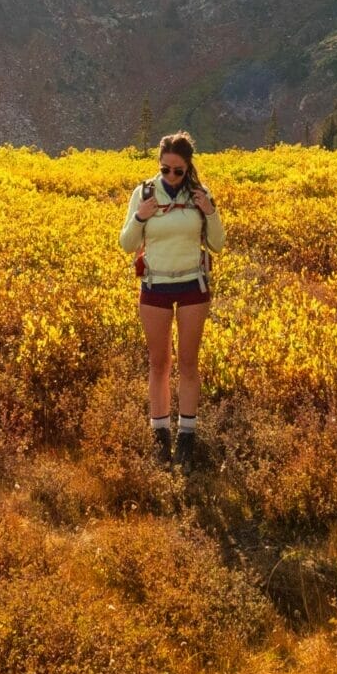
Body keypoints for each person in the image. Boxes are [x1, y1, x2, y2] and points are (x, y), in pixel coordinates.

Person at [119, 130, 225, 470]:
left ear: (188, 167)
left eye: (178, 171)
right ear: (160, 166)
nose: (171, 176)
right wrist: (141, 217)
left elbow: (218, 244)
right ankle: (160, 437)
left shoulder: (201, 195)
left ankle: (186, 439)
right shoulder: (144, 194)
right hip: (155, 287)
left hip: (193, 287)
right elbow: (125, 243)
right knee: (158, 363)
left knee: (189, 364)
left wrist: (209, 212)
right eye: (165, 169)